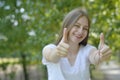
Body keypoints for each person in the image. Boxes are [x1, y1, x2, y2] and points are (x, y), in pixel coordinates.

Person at [42, 8, 112, 80]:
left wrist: (101, 55)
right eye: (77, 26)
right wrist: (57, 52)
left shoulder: (87, 50)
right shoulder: (49, 48)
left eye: (85, 28)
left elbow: (95, 57)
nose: (80, 31)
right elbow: (51, 56)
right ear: (67, 26)